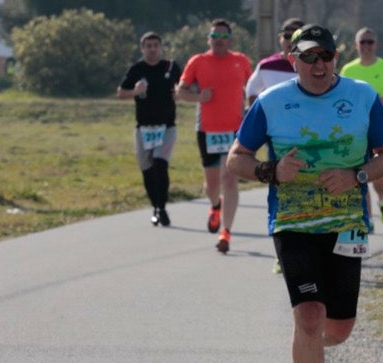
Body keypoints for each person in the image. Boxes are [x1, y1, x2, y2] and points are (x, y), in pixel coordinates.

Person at [224, 25, 383, 363]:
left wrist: (355, 175)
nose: (318, 65)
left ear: (335, 58)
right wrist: (271, 171)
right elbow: (236, 160)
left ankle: (306, 361)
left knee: (338, 329)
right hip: (293, 223)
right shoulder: (272, 102)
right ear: (293, 60)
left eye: (326, 55)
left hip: (346, 223)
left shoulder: (361, 96)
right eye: (309, 57)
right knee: (308, 316)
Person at [179, 19, 253, 254]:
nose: (219, 41)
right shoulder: (198, 61)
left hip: (234, 130)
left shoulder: (241, 61)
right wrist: (198, 97)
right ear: (208, 39)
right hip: (207, 130)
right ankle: (215, 205)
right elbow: (181, 91)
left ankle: (226, 232)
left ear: (230, 39)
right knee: (212, 185)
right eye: (215, 36)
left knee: (229, 179)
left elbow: (252, 89)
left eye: (223, 37)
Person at [340, 27, 383, 226]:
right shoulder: (348, 70)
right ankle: (366, 218)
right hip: (355, 128)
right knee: (359, 172)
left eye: (370, 42)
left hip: (380, 129)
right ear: (356, 45)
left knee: (378, 175)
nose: (366, 46)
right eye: (363, 42)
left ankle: (382, 200)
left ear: (376, 45)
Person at [116, 31, 182, 227]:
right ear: (142, 48)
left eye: (155, 45)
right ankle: (155, 207)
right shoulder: (136, 69)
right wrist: (134, 92)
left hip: (167, 127)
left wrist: (180, 92)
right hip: (143, 128)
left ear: (161, 48)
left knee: (160, 164)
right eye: (148, 46)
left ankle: (162, 208)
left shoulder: (171, 66)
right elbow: (120, 93)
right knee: (147, 170)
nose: (152, 49)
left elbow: (186, 86)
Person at [245, 17, 303, 109]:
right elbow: (252, 90)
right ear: (280, 37)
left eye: (296, 37)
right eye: (287, 36)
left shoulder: (312, 65)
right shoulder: (266, 66)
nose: (291, 41)